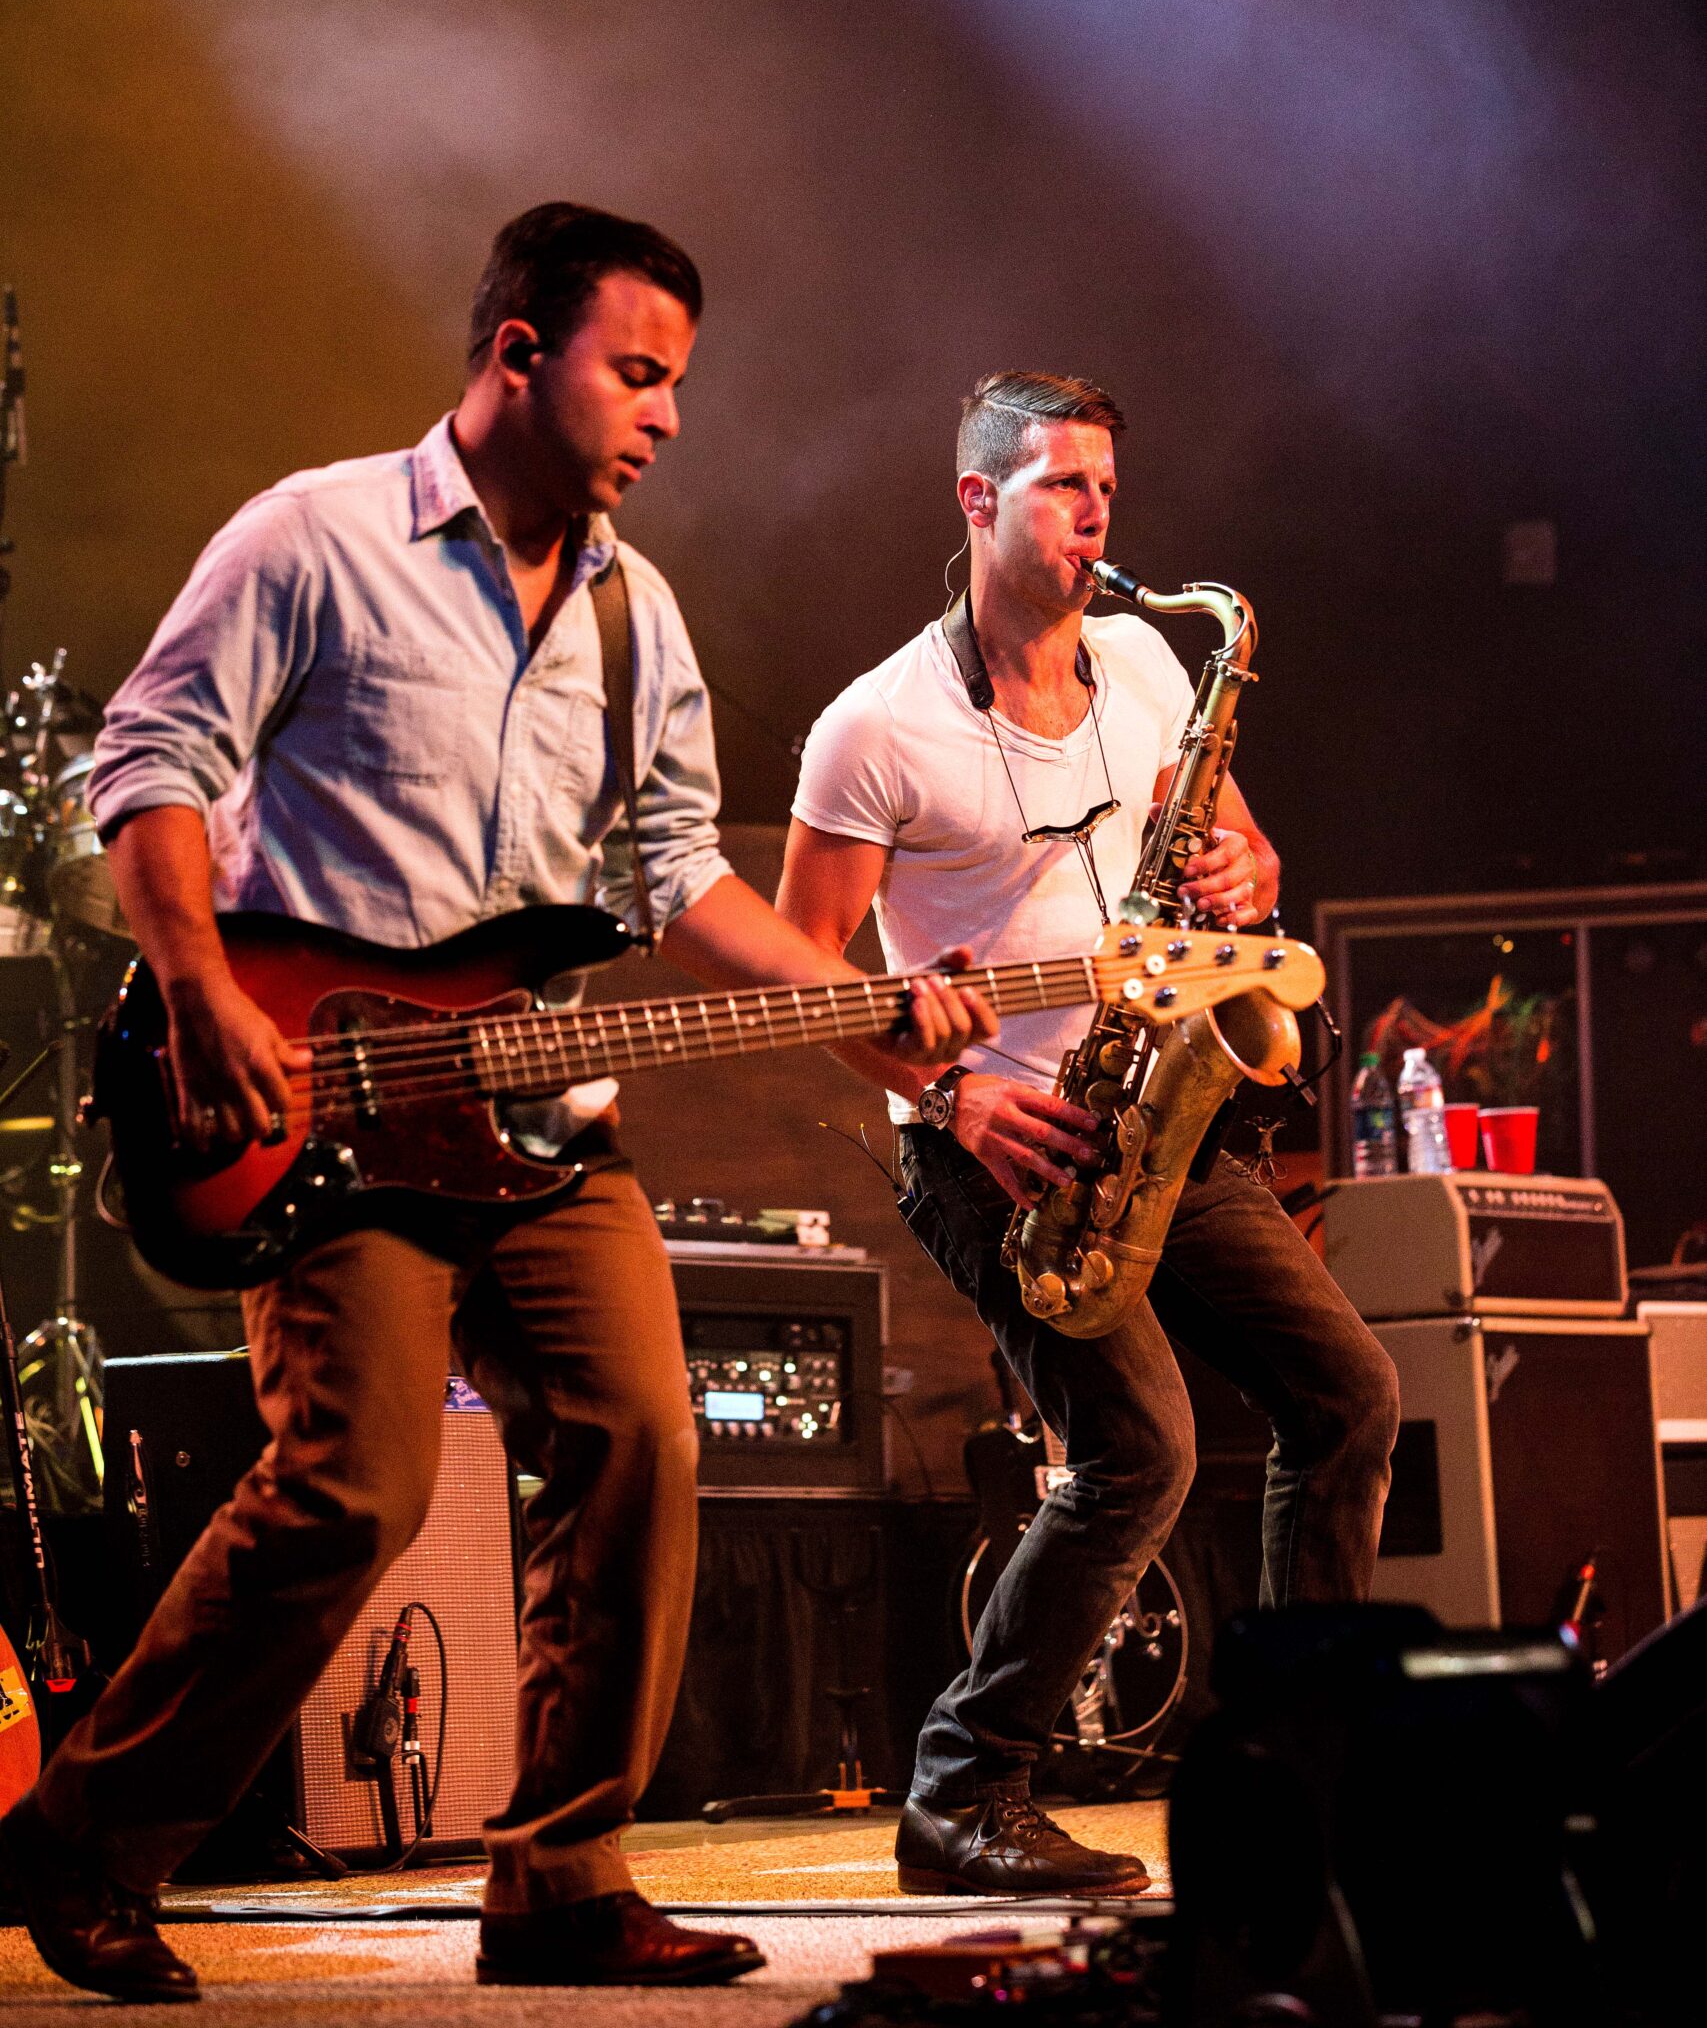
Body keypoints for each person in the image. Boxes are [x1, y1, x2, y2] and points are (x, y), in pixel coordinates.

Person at [0, 203, 995, 2002]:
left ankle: (562, 1881)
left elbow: (677, 869)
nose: (668, 416)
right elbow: (145, 762)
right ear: (519, 353)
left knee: (645, 1439)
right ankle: (87, 1840)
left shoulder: (637, 613)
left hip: (537, 1116)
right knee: (355, 1486)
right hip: (322, 1104)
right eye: (640, 372)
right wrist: (202, 989)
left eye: (679, 384)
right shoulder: (315, 537)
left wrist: (858, 1005)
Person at [778, 369, 1400, 1900]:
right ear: (978, 499)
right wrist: (958, 1096)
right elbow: (800, 980)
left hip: (1160, 1118)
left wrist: (1248, 877)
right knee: (1143, 1448)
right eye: (1064, 485)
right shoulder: (876, 725)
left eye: (1107, 488)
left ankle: (1303, 1770)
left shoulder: (1144, 663)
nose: (1097, 517)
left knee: (1350, 1397)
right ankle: (961, 1795)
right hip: (1001, 1145)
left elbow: (1241, 846)